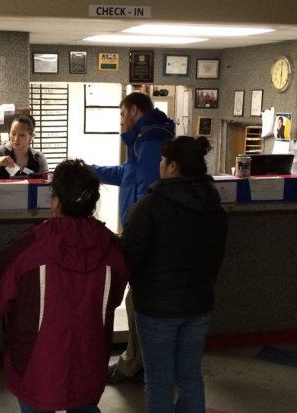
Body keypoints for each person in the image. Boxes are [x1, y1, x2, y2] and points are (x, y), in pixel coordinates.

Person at [0, 159, 130, 413]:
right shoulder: (113, 250)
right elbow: (114, 298)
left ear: (56, 201)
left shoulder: (29, 248)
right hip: (89, 357)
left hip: (35, 362)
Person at [122, 136, 228, 413]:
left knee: (159, 382)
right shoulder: (214, 209)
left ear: (172, 167)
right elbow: (216, 259)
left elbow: (128, 260)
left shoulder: (148, 207)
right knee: (190, 377)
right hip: (200, 305)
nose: (158, 163)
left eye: (161, 159)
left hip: (157, 310)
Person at [90, 91, 175, 383]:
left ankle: (136, 363)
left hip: (144, 235)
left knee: (137, 300)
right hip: (141, 232)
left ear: (135, 111)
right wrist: (89, 171)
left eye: (122, 113)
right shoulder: (143, 139)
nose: (121, 120)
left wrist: (135, 235)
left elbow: (147, 193)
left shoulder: (150, 141)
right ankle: (137, 360)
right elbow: (127, 174)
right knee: (136, 300)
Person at [0, 114, 48, 179]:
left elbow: (47, 184)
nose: (16, 139)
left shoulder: (39, 158)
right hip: (1, 195)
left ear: (31, 136)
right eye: (13, 134)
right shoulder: (0, 152)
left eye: (22, 135)